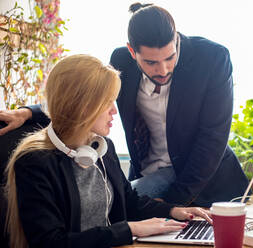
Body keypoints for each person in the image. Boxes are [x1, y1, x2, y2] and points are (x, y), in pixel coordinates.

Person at [0, 2, 249, 207]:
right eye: (151, 62)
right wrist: (27, 113)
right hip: (149, 171)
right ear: (132, 51)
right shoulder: (121, 61)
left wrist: (171, 204)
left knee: (116, 205)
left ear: (176, 40)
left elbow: (213, 137)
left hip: (198, 176)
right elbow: (83, 98)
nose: (162, 69)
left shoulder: (213, 58)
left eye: (170, 58)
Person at [4, 55, 211, 248]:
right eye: (107, 102)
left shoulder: (101, 147)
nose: (114, 110)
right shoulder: (35, 162)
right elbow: (50, 242)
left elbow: (129, 201)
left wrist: (173, 211)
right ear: (82, 105)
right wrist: (129, 229)